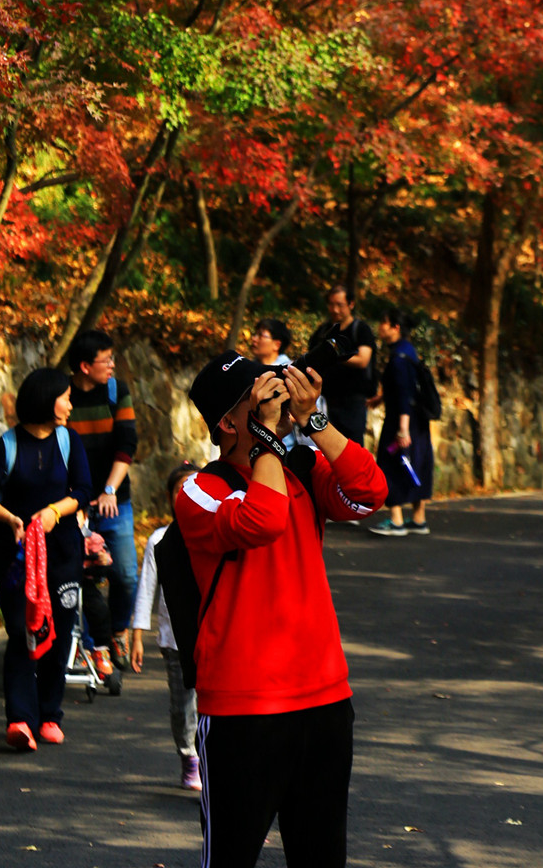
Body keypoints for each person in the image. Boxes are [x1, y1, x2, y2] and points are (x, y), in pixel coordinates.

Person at [176, 349, 388, 868]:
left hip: (324, 702)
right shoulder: (199, 491)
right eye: (258, 394)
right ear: (228, 421)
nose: (273, 396)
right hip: (243, 712)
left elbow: (369, 493)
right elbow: (262, 520)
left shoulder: (303, 466)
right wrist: (269, 437)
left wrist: (314, 422)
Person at [0, 365, 93, 751]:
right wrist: (10, 519)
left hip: (62, 553)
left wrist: (56, 511)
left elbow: (83, 491)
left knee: (58, 632)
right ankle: (21, 719)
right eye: (66, 397)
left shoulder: (69, 442)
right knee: (23, 633)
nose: (71, 404)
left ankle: (50, 715)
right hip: (16, 556)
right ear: (47, 400)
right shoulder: (5, 446)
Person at [67, 327, 138, 664]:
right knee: (78, 578)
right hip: (74, 504)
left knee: (124, 575)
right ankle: (88, 646)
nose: (112, 365)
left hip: (115, 500)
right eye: (105, 360)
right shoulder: (63, 397)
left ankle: (118, 631)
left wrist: (109, 489)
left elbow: (127, 445)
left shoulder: (116, 391)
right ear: (84, 366)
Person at [131, 460, 202, 790]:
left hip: (212, 637)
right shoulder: (160, 540)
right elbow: (147, 589)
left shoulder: (212, 532)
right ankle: (189, 756)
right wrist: (137, 635)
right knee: (182, 705)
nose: (186, 494)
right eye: (179, 489)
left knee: (213, 702)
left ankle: (210, 756)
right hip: (174, 640)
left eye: (194, 487)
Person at [367, 307, 432, 537]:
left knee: (389, 462)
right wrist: (382, 398)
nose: (380, 327)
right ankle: (418, 519)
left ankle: (396, 521)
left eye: (384, 323)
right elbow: (406, 386)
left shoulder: (398, 357)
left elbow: (404, 393)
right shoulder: (408, 351)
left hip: (401, 421)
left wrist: (402, 429)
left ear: (395, 327)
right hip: (418, 420)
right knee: (417, 463)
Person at [308, 286, 375, 444]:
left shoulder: (360, 330)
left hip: (352, 402)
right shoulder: (322, 331)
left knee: (352, 448)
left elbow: (363, 359)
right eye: (331, 304)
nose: (335, 309)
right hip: (325, 400)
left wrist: (333, 354)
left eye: (340, 305)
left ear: (351, 304)